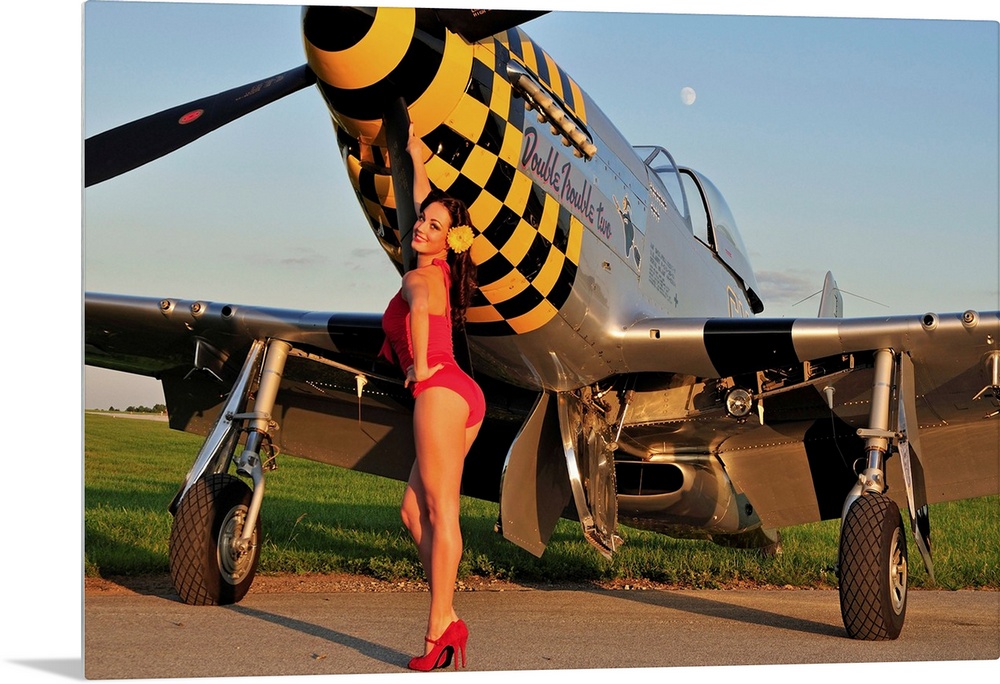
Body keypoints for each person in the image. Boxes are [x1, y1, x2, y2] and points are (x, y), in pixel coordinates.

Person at [378, 125, 485, 671]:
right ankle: (449, 615)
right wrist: (413, 148)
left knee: (442, 512)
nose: (421, 226)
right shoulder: (438, 264)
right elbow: (421, 191)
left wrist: (418, 367)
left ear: (449, 240)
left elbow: (419, 311)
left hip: (440, 388)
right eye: (422, 220)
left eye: (434, 225)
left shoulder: (423, 278)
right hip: (459, 390)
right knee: (414, 513)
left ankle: (437, 630)